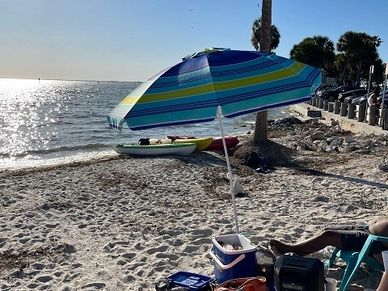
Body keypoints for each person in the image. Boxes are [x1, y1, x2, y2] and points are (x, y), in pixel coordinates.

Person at [269, 217, 388, 257]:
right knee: (326, 230)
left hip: (374, 241)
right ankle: (295, 250)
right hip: (366, 229)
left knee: (328, 236)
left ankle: (290, 251)